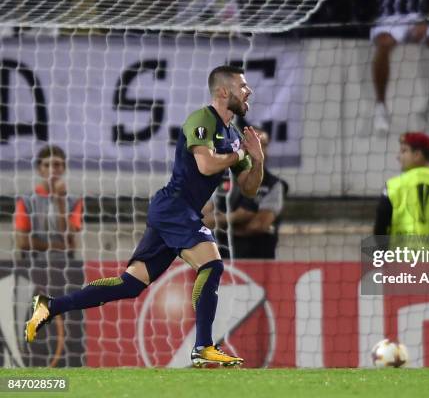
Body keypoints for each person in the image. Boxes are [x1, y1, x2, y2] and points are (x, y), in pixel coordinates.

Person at [24, 65, 265, 367]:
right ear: (223, 91)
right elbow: (205, 165)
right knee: (212, 264)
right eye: (242, 86)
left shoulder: (232, 134)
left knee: (130, 285)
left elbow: (250, 188)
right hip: (174, 207)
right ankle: (203, 346)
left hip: (177, 213)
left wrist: (257, 160)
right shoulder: (203, 119)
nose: (249, 91)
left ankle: (50, 306)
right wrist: (241, 155)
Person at [371, 0, 429, 133]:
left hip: (420, 18)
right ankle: (380, 108)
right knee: (384, 44)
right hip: (389, 18)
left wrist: (426, 20)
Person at [206, 129, 287, 259]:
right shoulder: (221, 180)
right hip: (224, 260)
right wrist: (239, 218)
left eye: (263, 145)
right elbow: (204, 217)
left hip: (258, 261)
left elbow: (258, 225)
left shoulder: (274, 185)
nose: (260, 149)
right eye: (254, 144)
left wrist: (221, 223)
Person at [374, 131, 429, 249]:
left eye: (404, 151)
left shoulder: (394, 186)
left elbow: (381, 225)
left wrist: (384, 256)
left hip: (405, 259)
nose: (398, 156)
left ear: (417, 155)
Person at [14, 145, 83, 257]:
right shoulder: (25, 200)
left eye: (57, 164)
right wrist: (58, 246)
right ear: (39, 170)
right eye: (46, 165)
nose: (52, 170)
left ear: (63, 168)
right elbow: (23, 243)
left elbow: (70, 238)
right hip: (33, 265)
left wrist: (60, 202)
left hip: (65, 266)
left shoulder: (74, 200)